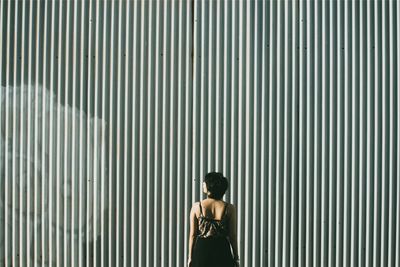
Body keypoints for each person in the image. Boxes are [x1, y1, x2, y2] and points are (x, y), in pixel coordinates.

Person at [187, 172, 240, 267]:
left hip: (202, 250)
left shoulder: (196, 207)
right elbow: (232, 235)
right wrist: (236, 256)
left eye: (205, 182)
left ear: (209, 187)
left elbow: (193, 235)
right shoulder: (229, 208)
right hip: (222, 250)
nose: (203, 184)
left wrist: (190, 257)